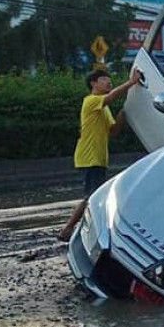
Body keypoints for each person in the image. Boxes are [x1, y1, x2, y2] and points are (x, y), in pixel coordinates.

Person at [57, 68, 142, 242]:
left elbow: (113, 131)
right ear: (93, 83)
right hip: (89, 157)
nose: (108, 82)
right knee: (92, 197)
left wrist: (126, 112)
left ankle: (79, 229)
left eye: (109, 79)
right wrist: (131, 83)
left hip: (98, 158)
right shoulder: (90, 101)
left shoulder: (105, 109)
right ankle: (68, 229)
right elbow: (110, 98)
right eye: (104, 79)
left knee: (94, 196)